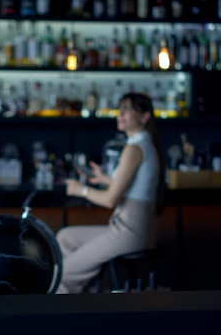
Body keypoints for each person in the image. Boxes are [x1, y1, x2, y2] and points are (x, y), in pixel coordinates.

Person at [56, 92, 165, 294]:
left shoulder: (134, 148)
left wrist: (82, 190)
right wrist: (105, 179)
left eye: (127, 109)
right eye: (120, 109)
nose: (120, 114)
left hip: (129, 232)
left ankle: (67, 301)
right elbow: (135, 186)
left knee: (62, 273)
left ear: (145, 116)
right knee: (65, 237)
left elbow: (110, 200)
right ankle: (80, 296)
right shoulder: (145, 145)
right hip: (137, 229)